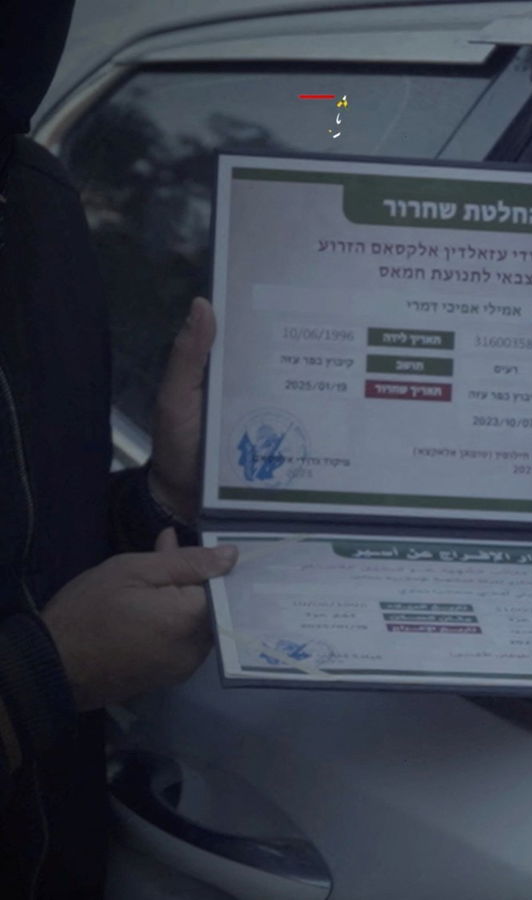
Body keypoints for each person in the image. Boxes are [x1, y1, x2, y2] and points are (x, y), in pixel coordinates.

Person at [2, 4, 237, 896]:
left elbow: (34, 552)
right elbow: (49, 645)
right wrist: (41, 678)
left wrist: (162, 499)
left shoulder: (34, 207)